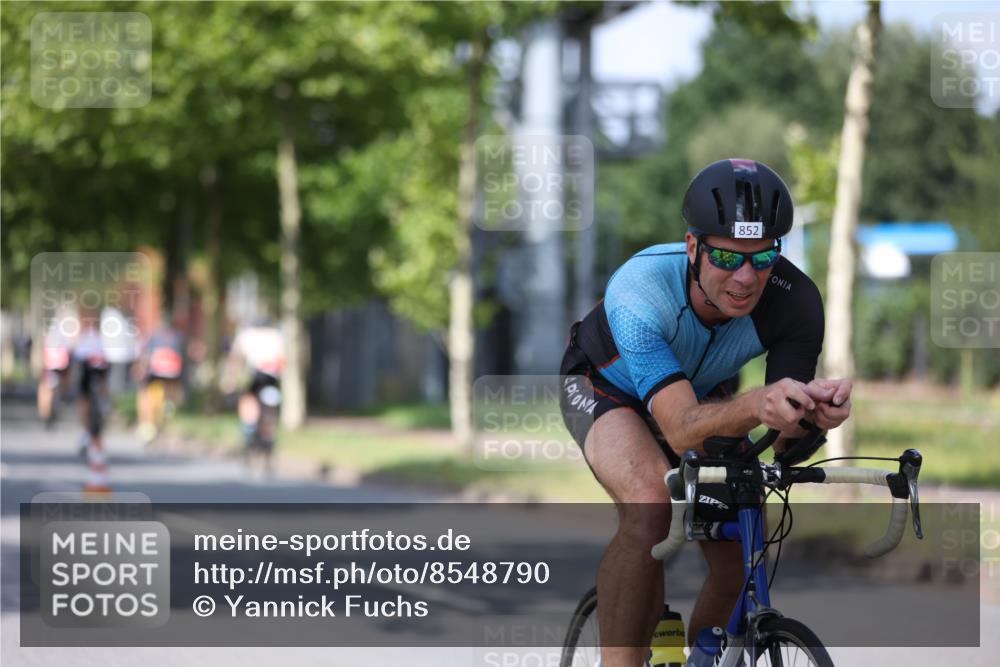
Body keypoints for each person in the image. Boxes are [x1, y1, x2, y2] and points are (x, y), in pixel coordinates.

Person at [558, 158, 853, 666]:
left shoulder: (796, 301)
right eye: (726, 257)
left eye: (761, 259)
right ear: (693, 246)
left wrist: (810, 418)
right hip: (606, 386)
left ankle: (702, 659)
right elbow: (678, 429)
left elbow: (786, 441)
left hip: (704, 392)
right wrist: (758, 403)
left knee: (746, 527)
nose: (744, 278)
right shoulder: (642, 289)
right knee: (650, 506)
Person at [222, 319, 284, 467]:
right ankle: (269, 432)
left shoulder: (246, 334)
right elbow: (283, 360)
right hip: (273, 377)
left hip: (255, 375)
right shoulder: (277, 335)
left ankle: (249, 430)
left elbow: (236, 359)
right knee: (271, 406)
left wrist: (230, 380)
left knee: (248, 400)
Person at [134, 314, 186, 445]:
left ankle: (147, 427)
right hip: (174, 373)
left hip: (156, 371)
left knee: (144, 393)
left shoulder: (153, 337)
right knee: (172, 387)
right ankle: (168, 405)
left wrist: (140, 368)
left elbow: (145, 355)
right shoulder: (179, 337)